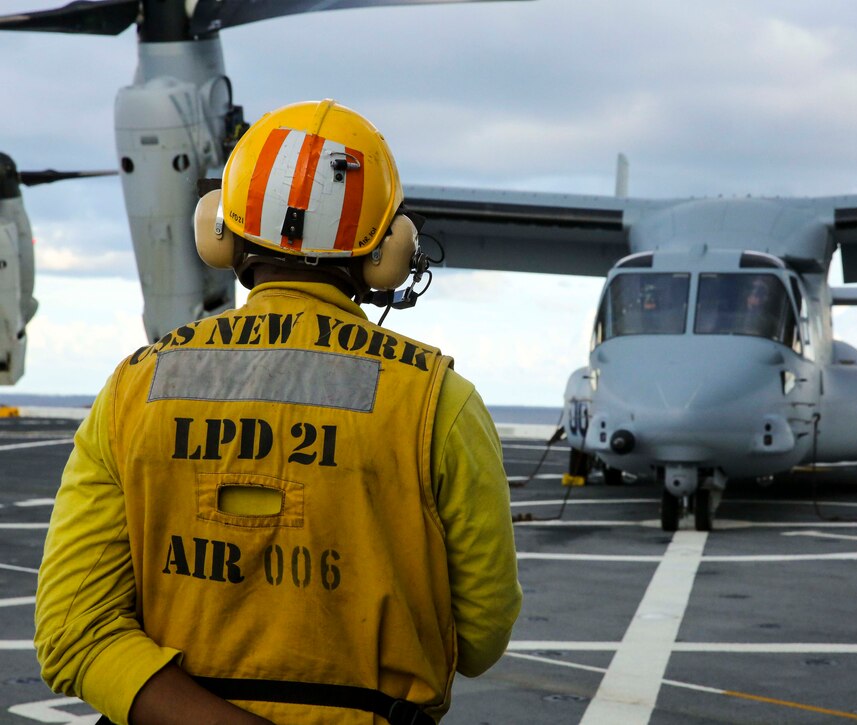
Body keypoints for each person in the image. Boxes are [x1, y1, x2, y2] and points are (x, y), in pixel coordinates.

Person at [35, 99, 522, 725]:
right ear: (387, 250)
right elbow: (479, 637)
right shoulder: (439, 402)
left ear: (221, 231)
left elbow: (74, 629)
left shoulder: (135, 389)